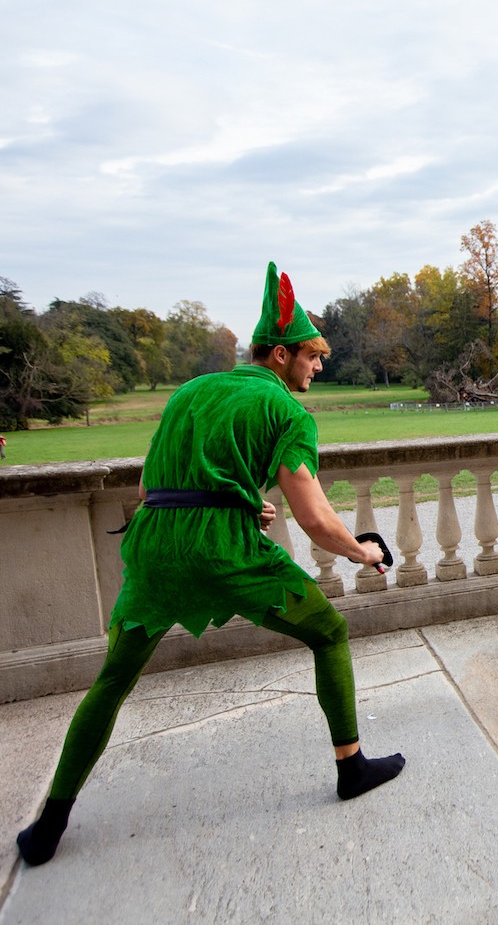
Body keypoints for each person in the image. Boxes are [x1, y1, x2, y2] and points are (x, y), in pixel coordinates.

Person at [15, 262, 404, 866]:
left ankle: (48, 826)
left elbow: (150, 489)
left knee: (113, 681)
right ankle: (351, 768)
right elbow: (315, 519)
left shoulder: (189, 392)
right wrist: (364, 552)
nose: (318, 368)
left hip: (154, 552)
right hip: (223, 554)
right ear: (280, 355)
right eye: (311, 357)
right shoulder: (289, 414)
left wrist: (241, 503)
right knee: (328, 632)